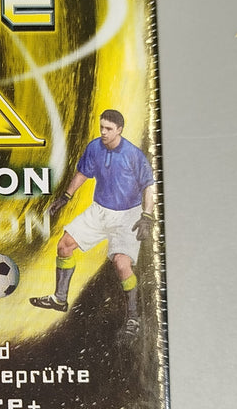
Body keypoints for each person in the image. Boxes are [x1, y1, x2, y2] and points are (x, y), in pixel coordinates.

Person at [30, 110, 156, 339]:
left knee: (121, 264)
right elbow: (82, 173)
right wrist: (65, 197)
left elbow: (149, 185)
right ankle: (59, 298)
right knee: (64, 245)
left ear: (119, 130)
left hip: (127, 215)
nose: (103, 132)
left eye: (108, 129)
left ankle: (133, 317)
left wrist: (147, 216)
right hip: (99, 211)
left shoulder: (133, 154)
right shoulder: (95, 147)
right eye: (102, 127)